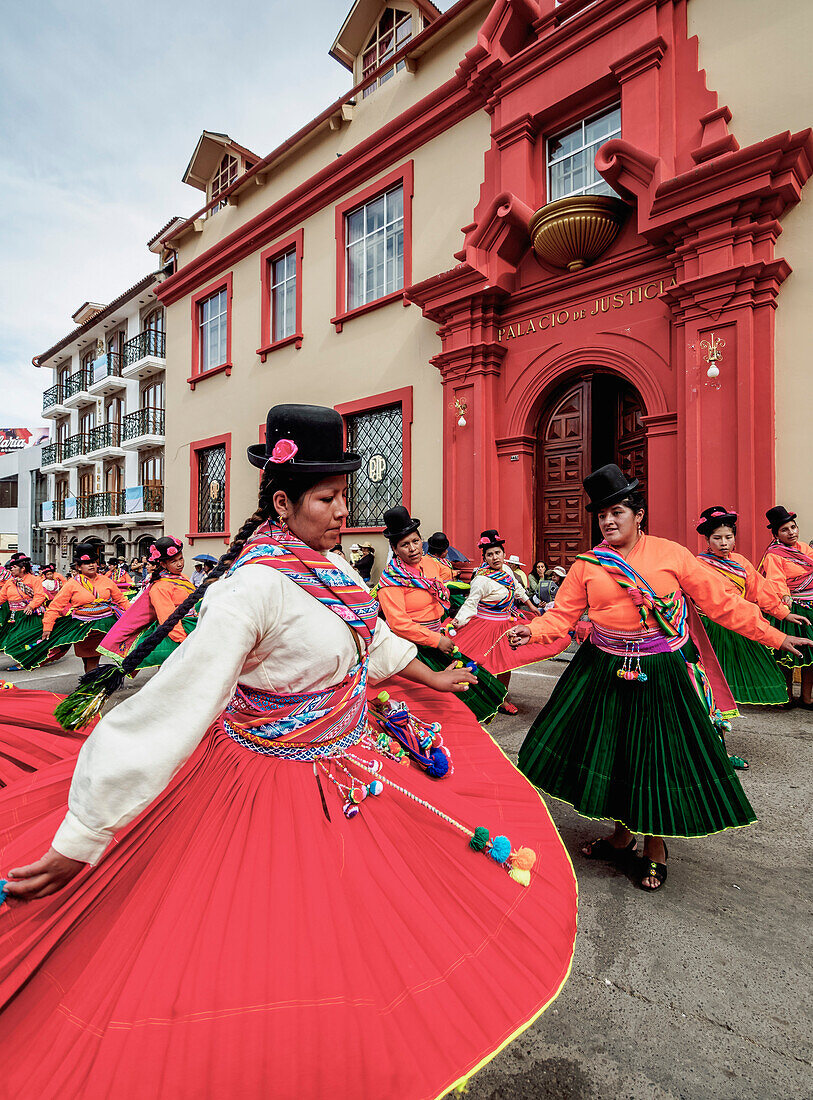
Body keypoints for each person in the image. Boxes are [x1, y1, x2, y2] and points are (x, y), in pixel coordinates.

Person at [0, 404, 577, 1099]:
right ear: (283, 501)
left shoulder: (332, 566)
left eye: (343, 496)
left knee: (368, 932)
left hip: (350, 765)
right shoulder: (252, 588)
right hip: (266, 786)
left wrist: (435, 674)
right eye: (328, 499)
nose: (342, 512)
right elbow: (172, 710)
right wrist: (84, 835)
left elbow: (375, 643)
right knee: (277, 946)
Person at [511, 465, 811, 893]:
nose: (609, 521)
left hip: (660, 670)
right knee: (614, 753)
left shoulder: (672, 556)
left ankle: (655, 847)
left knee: (653, 758)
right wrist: (533, 630)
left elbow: (724, 603)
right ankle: (620, 836)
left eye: (617, 511)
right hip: (603, 667)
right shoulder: (588, 566)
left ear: (639, 514)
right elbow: (561, 616)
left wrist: (777, 634)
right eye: (602, 515)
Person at [376, 506, 506, 722]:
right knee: (431, 703)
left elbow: (442, 591)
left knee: (465, 688)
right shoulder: (390, 582)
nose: (412, 549)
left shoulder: (431, 564)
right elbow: (399, 624)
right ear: (395, 549)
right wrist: (436, 640)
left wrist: (448, 621)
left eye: (415, 541)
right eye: (404, 545)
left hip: (439, 636)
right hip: (412, 648)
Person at [695, 506, 804, 727]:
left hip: (741, 623)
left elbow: (760, 591)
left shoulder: (741, 562)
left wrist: (784, 614)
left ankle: (726, 712)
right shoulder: (698, 564)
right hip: (710, 626)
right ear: (707, 539)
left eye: (728, 537)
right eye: (717, 538)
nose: (724, 543)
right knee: (712, 674)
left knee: (734, 673)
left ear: (734, 538)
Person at [450, 530, 555, 716]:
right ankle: (476, 697)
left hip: (506, 624)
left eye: (497, 553)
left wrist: (531, 606)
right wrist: (457, 622)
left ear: (504, 554)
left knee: (506, 665)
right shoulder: (481, 580)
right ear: (485, 558)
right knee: (479, 664)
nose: (494, 557)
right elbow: (470, 604)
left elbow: (518, 589)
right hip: (484, 626)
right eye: (490, 554)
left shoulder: (507, 570)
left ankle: (502, 698)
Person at [99, 537, 199, 669]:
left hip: (191, 624)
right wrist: (185, 641)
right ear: (163, 564)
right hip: (175, 631)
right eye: (173, 561)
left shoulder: (183, 577)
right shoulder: (160, 587)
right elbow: (168, 618)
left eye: (181, 558)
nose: (179, 563)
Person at [37, 543, 130, 674]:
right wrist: (47, 626)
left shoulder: (106, 581)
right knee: (87, 659)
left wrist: (135, 616)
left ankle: (91, 686)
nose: (91, 565)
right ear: (79, 567)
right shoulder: (72, 584)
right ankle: (90, 685)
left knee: (92, 659)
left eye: (93, 562)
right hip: (83, 626)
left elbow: (121, 600)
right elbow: (55, 606)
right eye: (86, 563)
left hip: (103, 624)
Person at [759, 505, 813, 708]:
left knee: (811, 654)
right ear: (776, 535)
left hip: (811, 605)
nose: (791, 532)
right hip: (791, 608)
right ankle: (787, 696)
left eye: (793, 527)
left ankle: (807, 697)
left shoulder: (805, 549)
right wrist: (784, 596)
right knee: (788, 654)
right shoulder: (774, 554)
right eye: (784, 530)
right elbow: (775, 579)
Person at [0, 553, 48, 665]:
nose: (11, 569)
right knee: (12, 639)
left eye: (14, 567)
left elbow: (40, 595)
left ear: (23, 568)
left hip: (29, 615)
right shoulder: (10, 582)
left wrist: (31, 605)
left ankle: (26, 661)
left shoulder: (34, 580)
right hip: (15, 615)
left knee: (24, 638)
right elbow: (2, 597)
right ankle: (24, 660)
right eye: (11, 567)